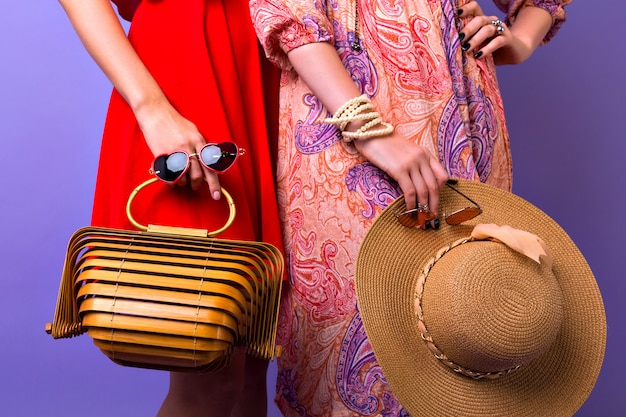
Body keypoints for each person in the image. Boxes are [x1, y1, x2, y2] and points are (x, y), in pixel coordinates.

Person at [249, 0, 571, 415]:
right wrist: (367, 130)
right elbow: (291, 17)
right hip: (341, 110)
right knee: (359, 335)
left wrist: (522, 38)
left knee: (463, 319)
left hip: (460, 111)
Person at [57, 0, 283, 416]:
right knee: (210, 368)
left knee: (253, 363)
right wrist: (152, 108)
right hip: (188, 66)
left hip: (274, 60)